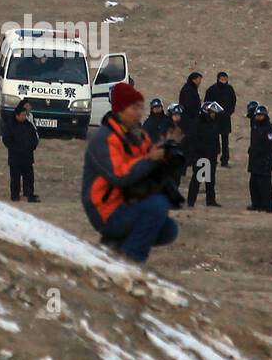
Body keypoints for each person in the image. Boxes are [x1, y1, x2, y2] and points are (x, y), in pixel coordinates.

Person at [82, 82, 178, 263]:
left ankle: (115, 245)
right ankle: (131, 261)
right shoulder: (104, 138)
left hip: (129, 202)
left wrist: (166, 154)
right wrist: (150, 159)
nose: (139, 113)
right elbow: (119, 176)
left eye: (141, 107)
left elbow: (149, 162)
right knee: (157, 205)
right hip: (105, 209)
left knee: (169, 229)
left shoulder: (138, 134)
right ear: (120, 109)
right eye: (134, 108)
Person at [186, 101, 223, 208]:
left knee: (210, 179)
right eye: (212, 112)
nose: (213, 114)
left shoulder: (213, 123)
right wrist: (195, 155)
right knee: (197, 179)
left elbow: (215, 138)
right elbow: (192, 140)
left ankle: (210, 200)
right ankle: (191, 201)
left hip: (211, 155)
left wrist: (217, 149)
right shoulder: (198, 123)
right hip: (200, 156)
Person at [4, 106, 40, 201]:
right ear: (17, 115)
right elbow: (6, 140)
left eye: (25, 115)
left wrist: (32, 147)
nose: (24, 117)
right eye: (23, 115)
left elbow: (34, 138)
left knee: (28, 177)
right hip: (15, 157)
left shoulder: (28, 125)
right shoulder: (10, 125)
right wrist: (15, 148)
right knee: (15, 178)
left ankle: (29, 194)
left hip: (27, 156)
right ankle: (15, 195)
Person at [204, 72, 237, 167]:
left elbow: (233, 101)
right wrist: (211, 113)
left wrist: (229, 111)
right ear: (218, 79)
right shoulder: (212, 89)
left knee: (225, 140)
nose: (223, 81)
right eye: (222, 79)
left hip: (225, 118)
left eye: (225, 79)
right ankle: (212, 158)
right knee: (213, 139)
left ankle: (225, 160)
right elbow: (207, 103)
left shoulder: (229, 89)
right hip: (214, 119)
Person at [247, 105, 272, 212]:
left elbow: (269, 145)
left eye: (261, 115)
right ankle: (256, 204)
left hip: (265, 160)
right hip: (255, 159)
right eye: (257, 115)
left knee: (264, 184)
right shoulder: (255, 126)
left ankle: (267, 206)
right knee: (253, 183)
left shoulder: (269, 129)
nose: (259, 117)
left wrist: (258, 151)